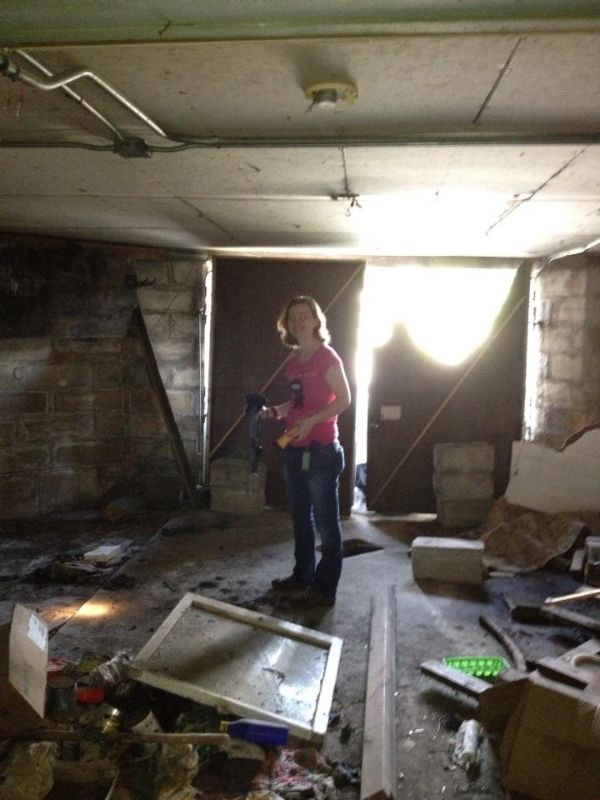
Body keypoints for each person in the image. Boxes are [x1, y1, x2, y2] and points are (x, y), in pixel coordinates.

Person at [263, 295, 351, 609]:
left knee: (327, 525)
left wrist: (312, 422)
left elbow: (344, 399)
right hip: (294, 449)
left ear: (316, 321)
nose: (298, 321)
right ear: (287, 325)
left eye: (304, 315)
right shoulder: (294, 362)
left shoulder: (327, 357)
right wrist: (275, 412)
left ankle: (324, 590)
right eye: (293, 317)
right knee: (301, 518)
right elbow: (299, 404)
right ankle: (302, 576)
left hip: (322, 450)